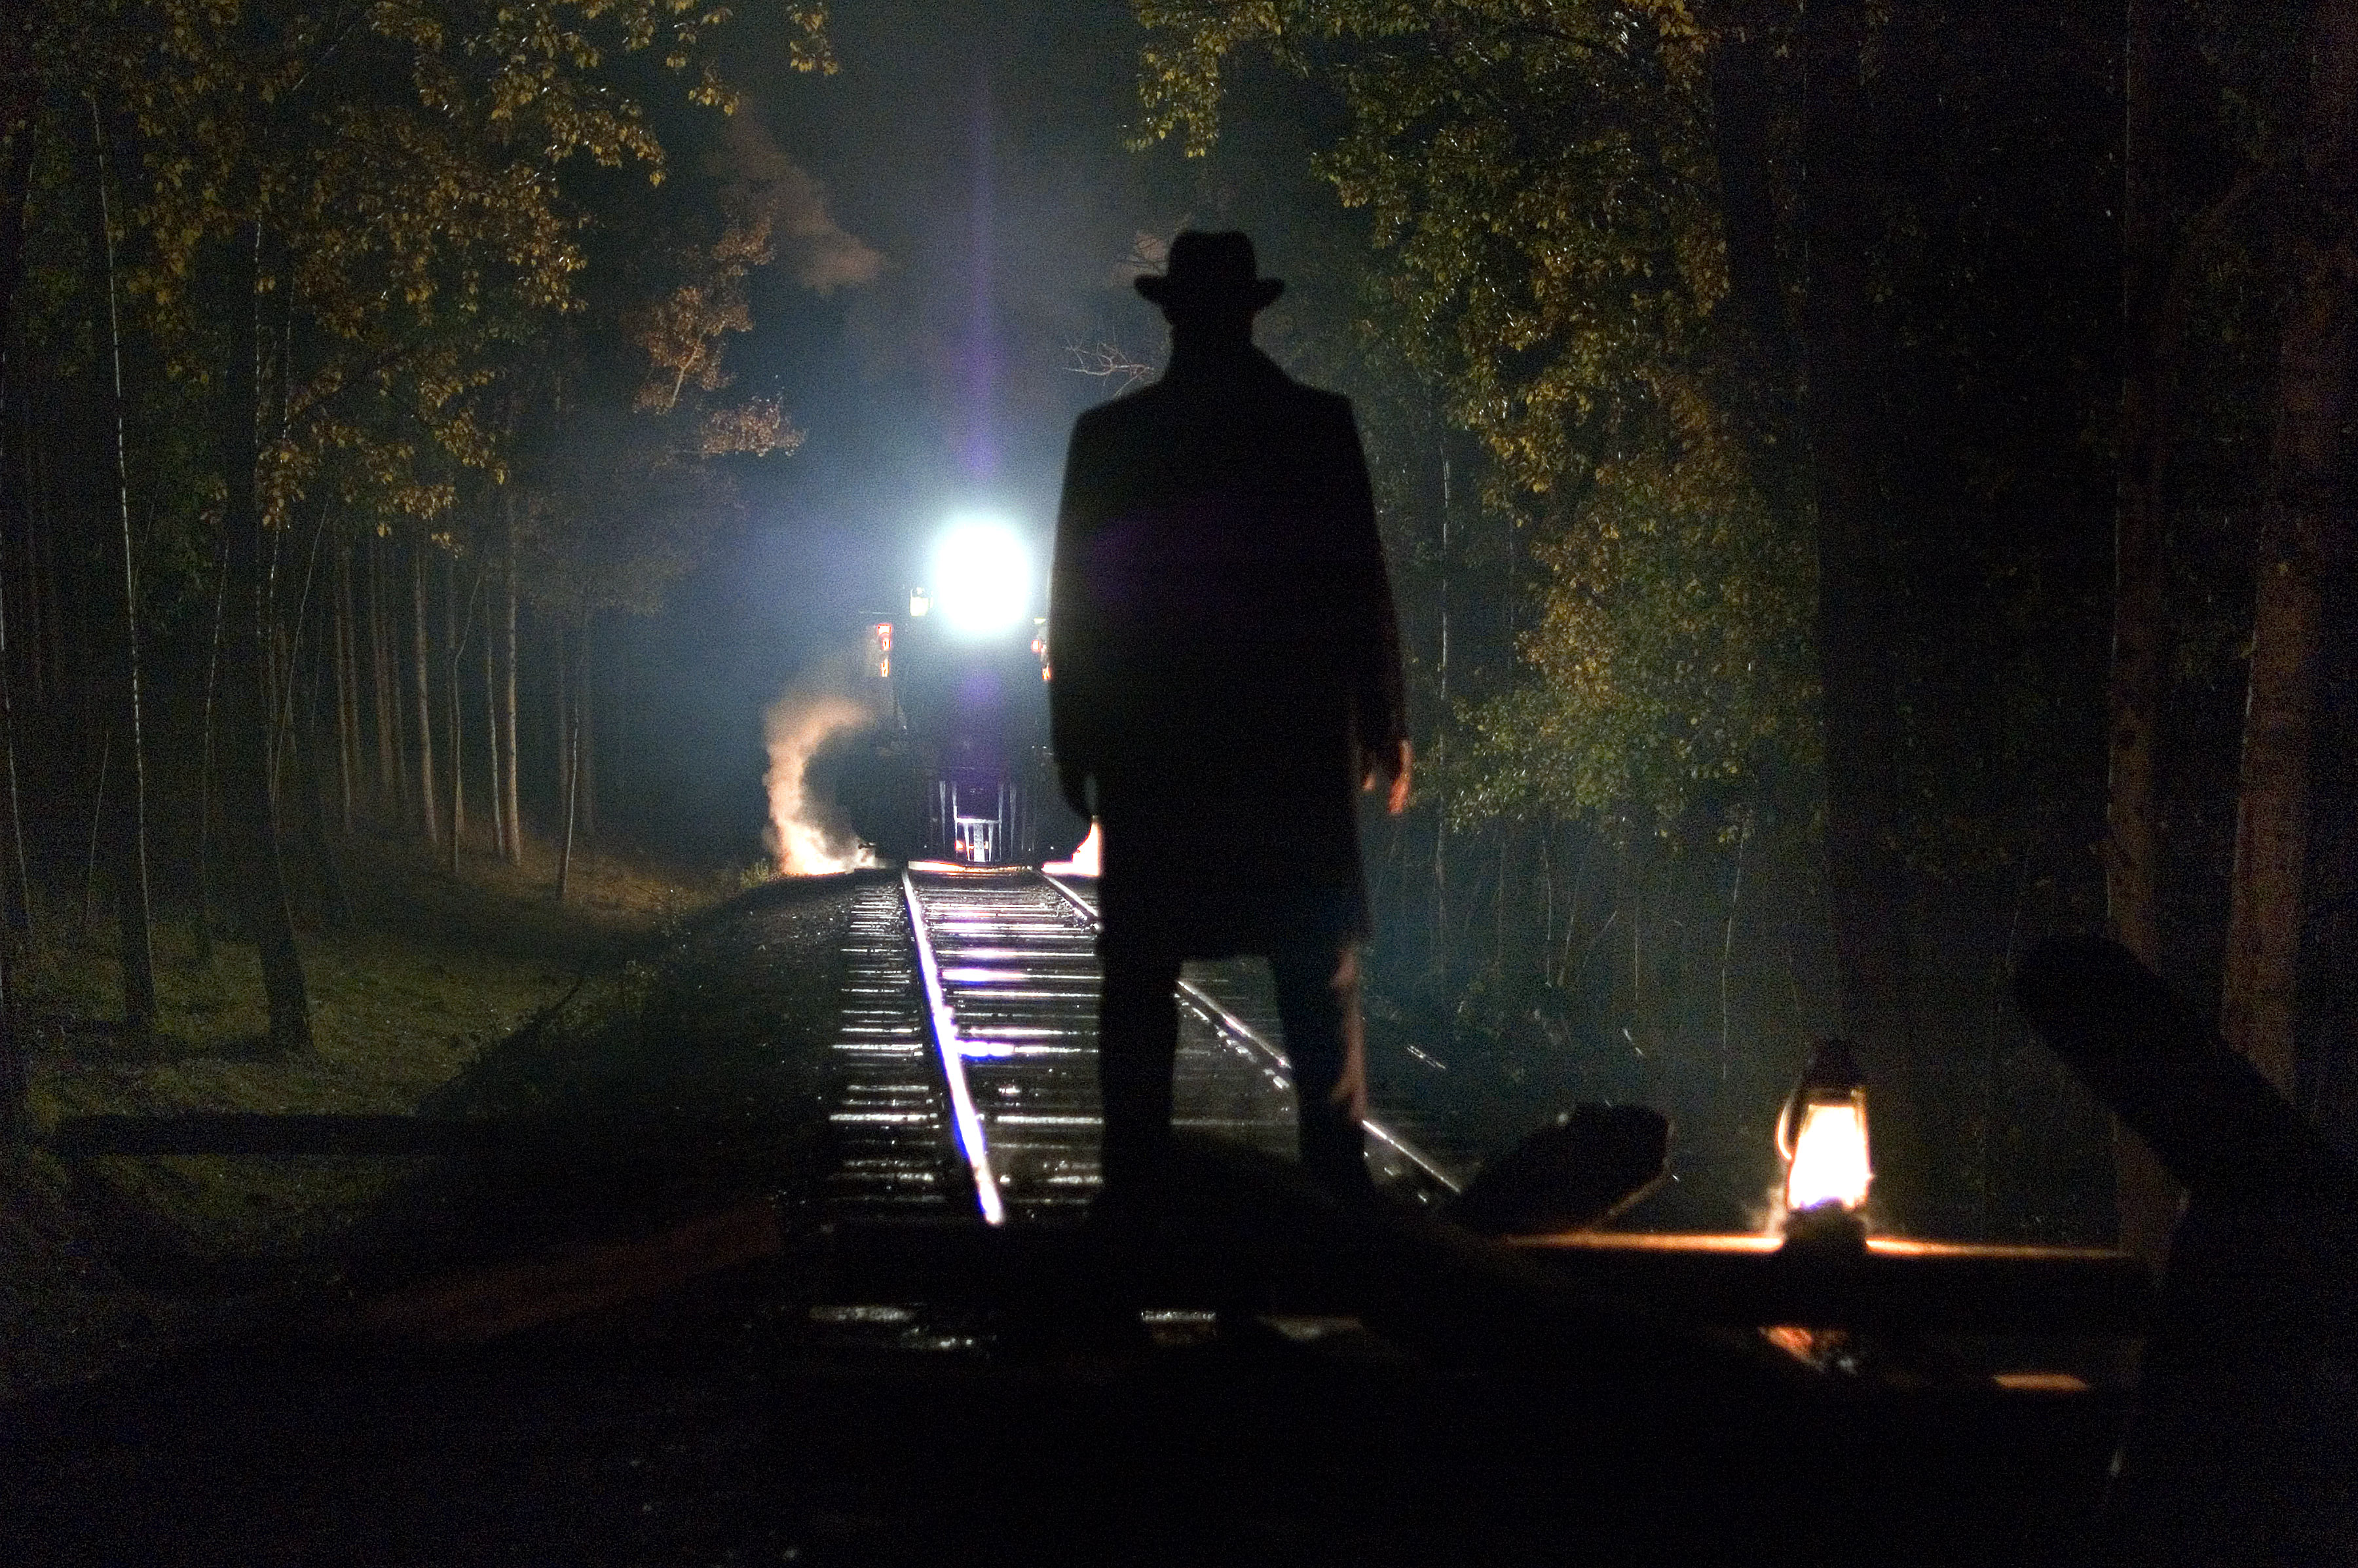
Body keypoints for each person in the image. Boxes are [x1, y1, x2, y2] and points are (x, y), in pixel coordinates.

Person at [1048, 230, 1412, 1208]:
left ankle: (1134, 1186)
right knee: (1310, 966)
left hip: (1160, 745)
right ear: (1254, 310)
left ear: (1172, 312)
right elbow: (1357, 584)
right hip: (1286, 743)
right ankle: (1337, 1192)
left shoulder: (1112, 437)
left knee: (1142, 973)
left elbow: (1078, 604)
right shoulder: (1314, 427)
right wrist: (1383, 719)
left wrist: (1075, 738)